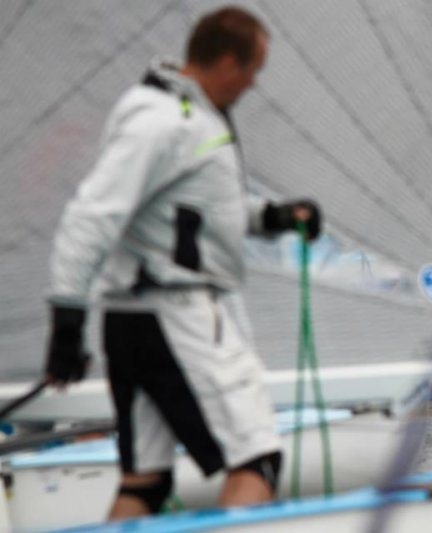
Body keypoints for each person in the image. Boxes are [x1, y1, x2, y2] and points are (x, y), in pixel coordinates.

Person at [42, 6, 321, 520]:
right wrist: (66, 319)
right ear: (228, 63)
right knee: (256, 460)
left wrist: (274, 217)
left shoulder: (182, 115)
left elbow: (195, 211)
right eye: (253, 71)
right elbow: (90, 216)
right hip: (173, 318)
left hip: (131, 322)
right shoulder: (165, 122)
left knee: (145, 482)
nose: (254, 84)